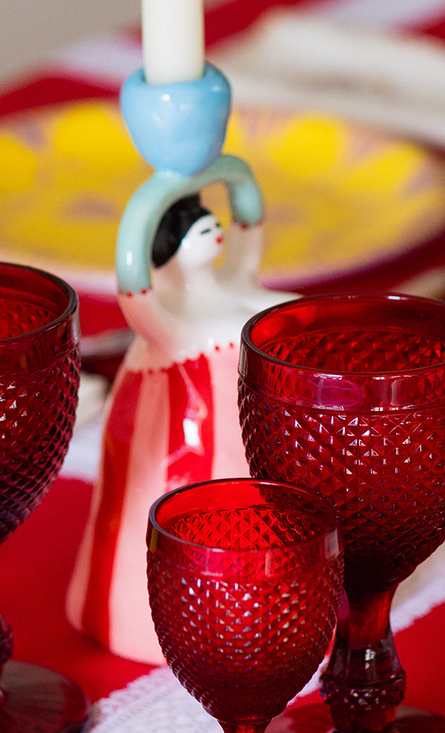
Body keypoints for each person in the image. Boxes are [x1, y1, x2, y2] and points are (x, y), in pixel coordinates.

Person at [66, 193, 294, 663]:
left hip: (248, 419)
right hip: (181, 424)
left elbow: (251, 244)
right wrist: (149, 205)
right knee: (174, 512)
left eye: (211, 220)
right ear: (165, 246)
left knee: (263, 507)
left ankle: (273, 618)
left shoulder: (234, 283)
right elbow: (134, 292)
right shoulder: (163, 314)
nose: (212, 229)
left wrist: (239, 184)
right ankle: (147, 621)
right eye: (195, 228)